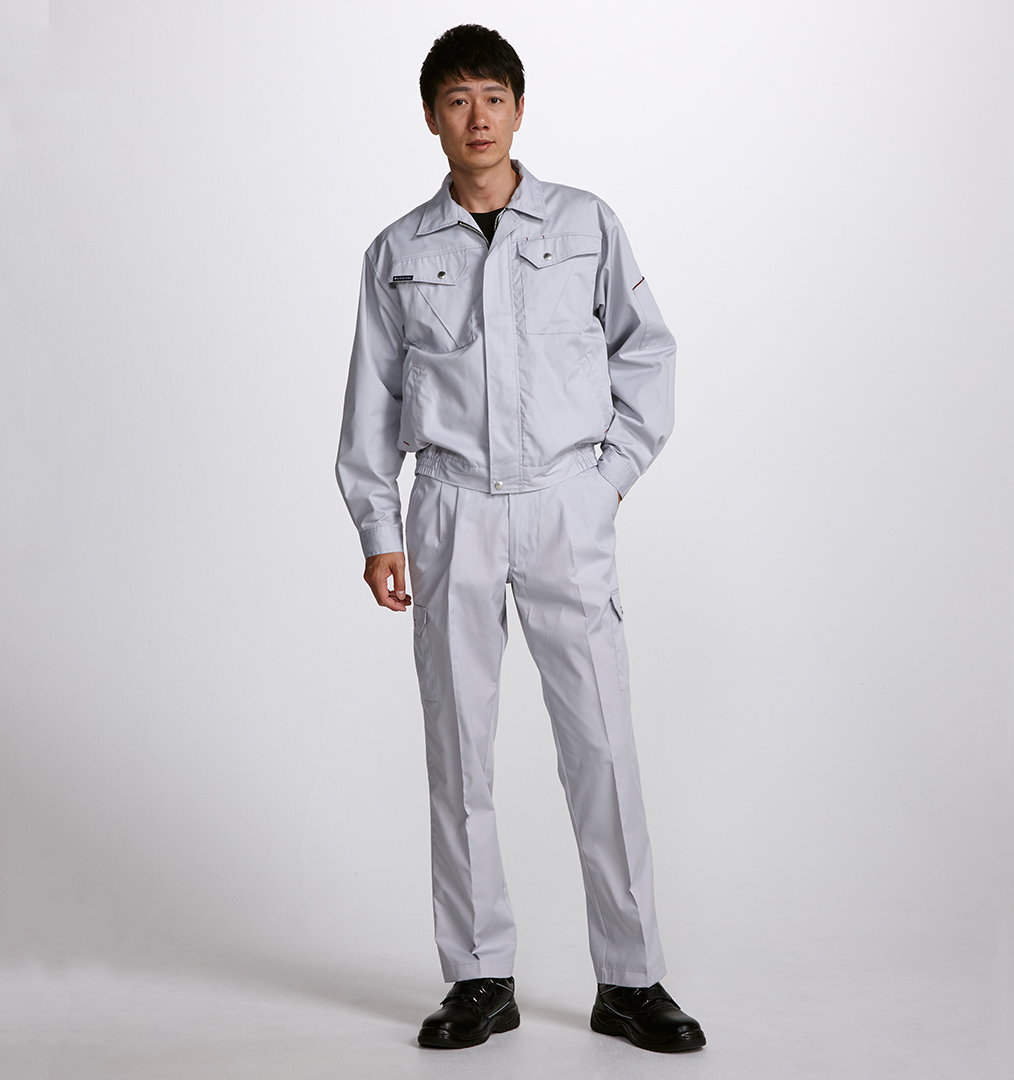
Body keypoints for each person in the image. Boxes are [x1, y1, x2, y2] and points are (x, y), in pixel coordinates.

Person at [336, 24, 704, 1054]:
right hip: (450, 508)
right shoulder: (398, 252)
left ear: (520, 109)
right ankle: (478, 977)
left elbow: (648, 352)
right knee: (458, 746)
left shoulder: (584, 224)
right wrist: (379, 526)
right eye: (458, 100)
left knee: (602, 743)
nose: (479, 118)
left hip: (563, 506)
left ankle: (630, 980)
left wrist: (606, 480)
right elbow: (371, 401)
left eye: (494, 97)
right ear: (431, 117)